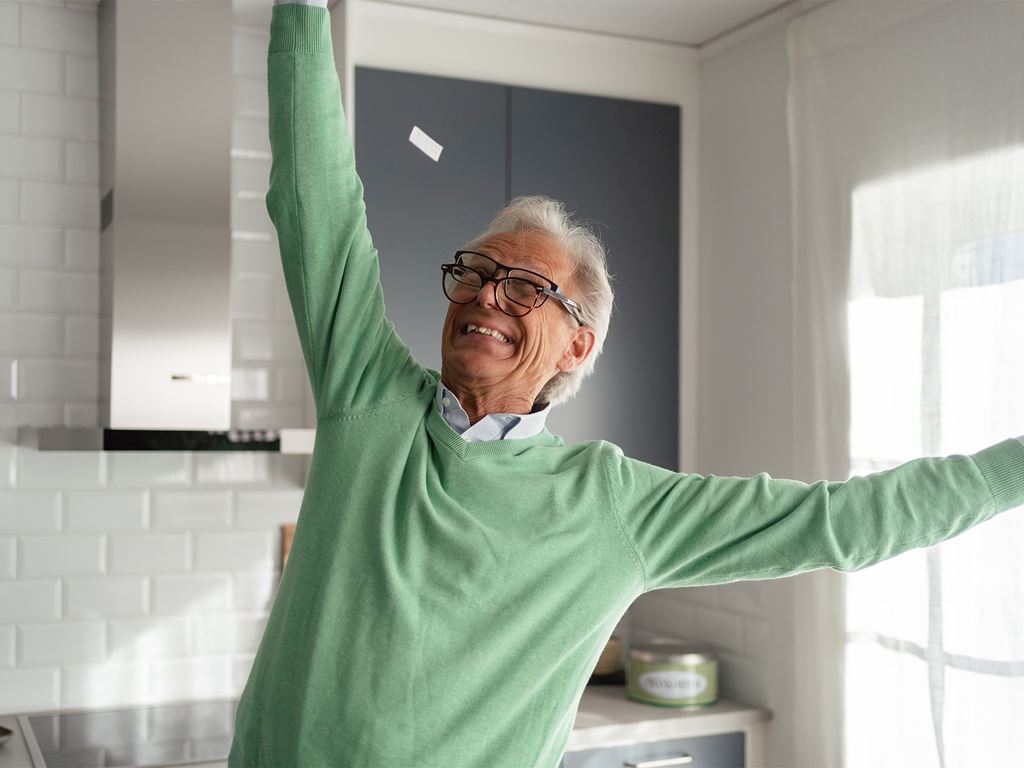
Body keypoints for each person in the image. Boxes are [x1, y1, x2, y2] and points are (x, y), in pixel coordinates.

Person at [228, 3, 1024, 766]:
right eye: (474, 272)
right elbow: (315, 198)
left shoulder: (615, 507)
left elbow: (845, 523)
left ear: (579, 344)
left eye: (526, 287)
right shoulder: (367, 398)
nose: (486, 295)